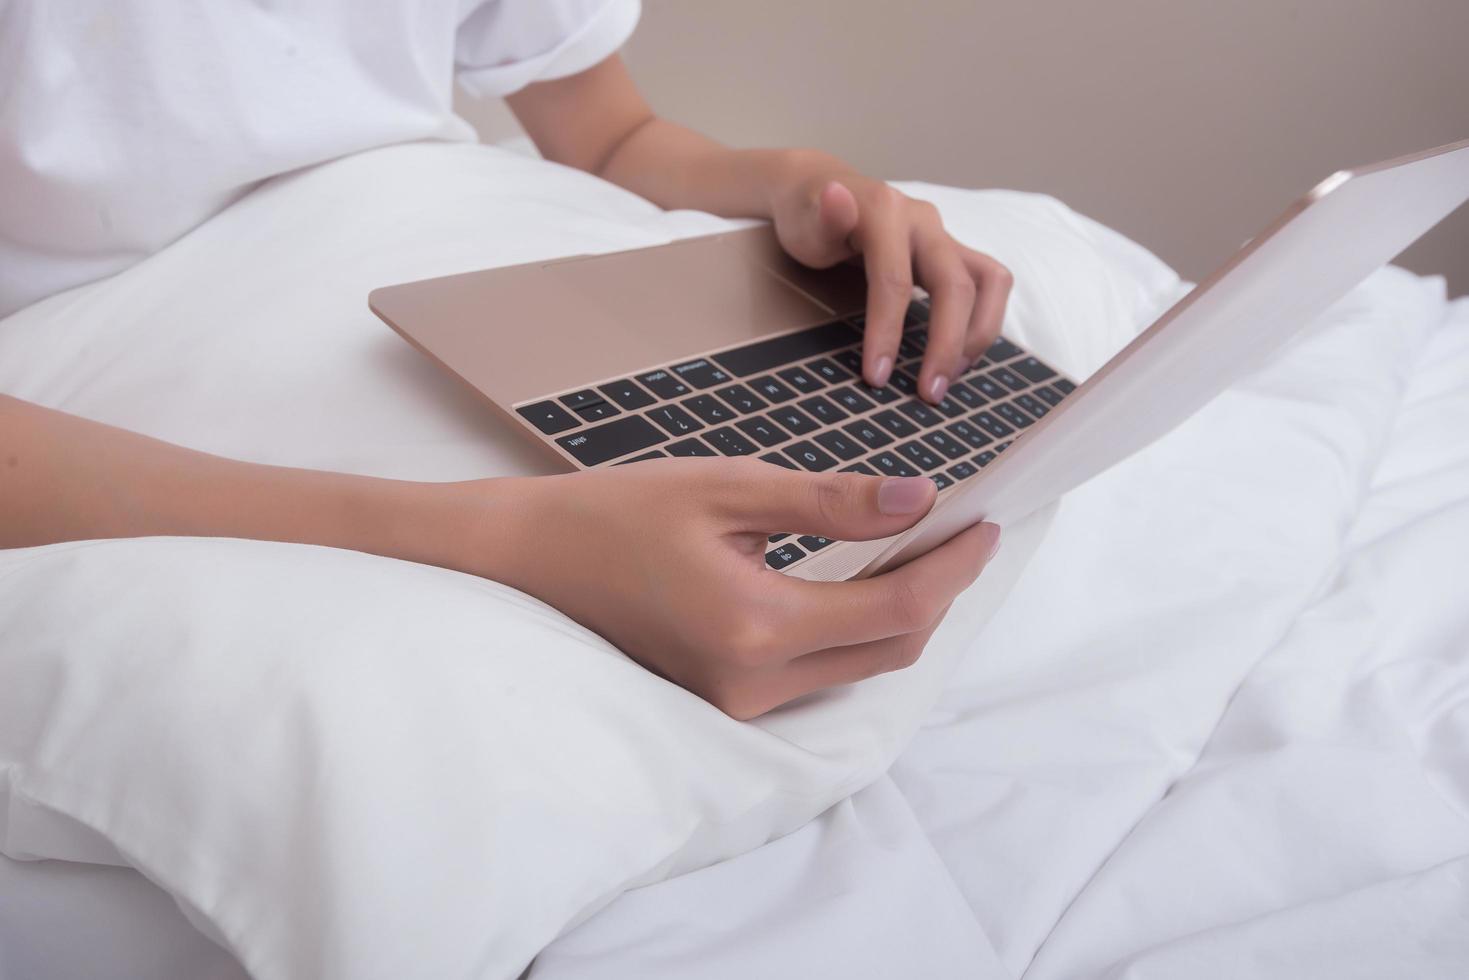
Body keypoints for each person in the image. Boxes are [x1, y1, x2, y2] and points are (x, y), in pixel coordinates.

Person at [0, 0, 1006, 719]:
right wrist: (511, 543)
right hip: (118, 395)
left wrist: (803, 183)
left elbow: (612, 136)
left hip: (456, 269)